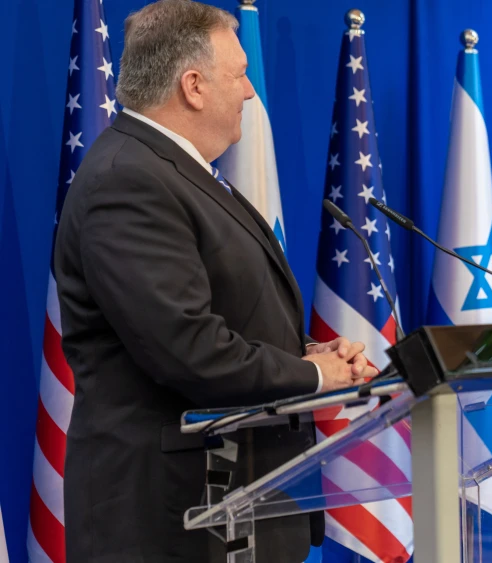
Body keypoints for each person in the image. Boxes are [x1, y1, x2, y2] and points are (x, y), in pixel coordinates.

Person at [53, 1, 377, 561]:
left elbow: (220, 316)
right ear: (194, 86)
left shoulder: (179, 174)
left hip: (237, 513)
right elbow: (187, 349)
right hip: (174, 526)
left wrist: (312, 354)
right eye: (241, 75)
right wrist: (308, 374)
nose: (250, 93)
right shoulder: (127, 181)